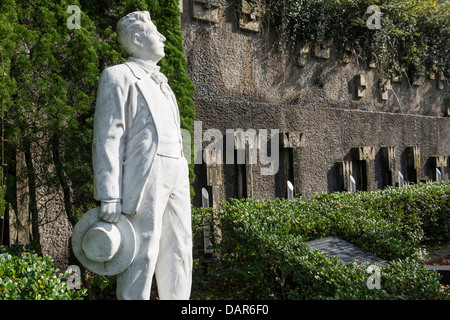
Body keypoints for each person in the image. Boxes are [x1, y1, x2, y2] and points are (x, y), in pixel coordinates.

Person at [92, 11, 192, 300]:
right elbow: (108, 138)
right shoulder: (118, 76)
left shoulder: (164, 83)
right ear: (137, 39)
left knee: (180, 248)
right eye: (155, 31)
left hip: (176, 170)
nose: (163, 37)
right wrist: (109, 194)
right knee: (143, 250)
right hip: (147, 173)